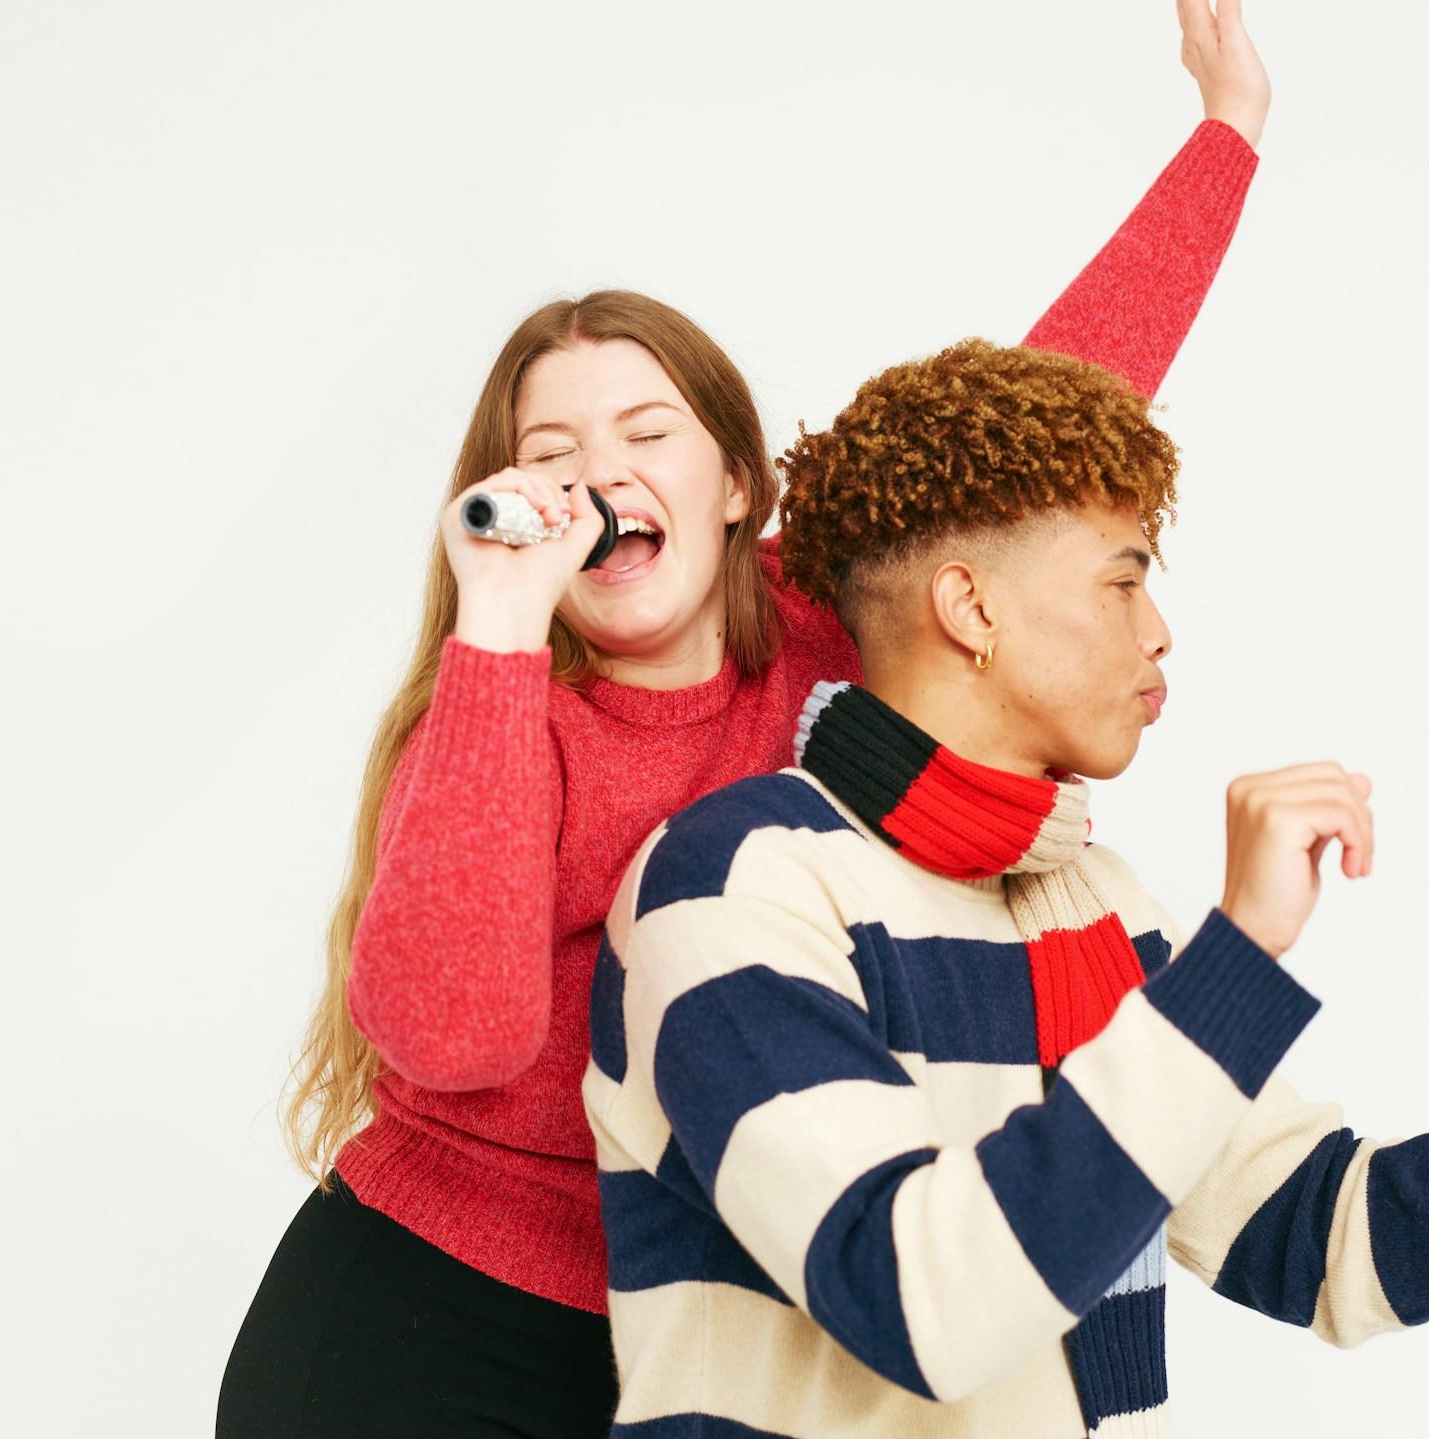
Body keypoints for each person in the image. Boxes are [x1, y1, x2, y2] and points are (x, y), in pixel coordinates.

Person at [218, 5, 1277, 1434]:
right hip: (419, 1322)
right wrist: (498, 624)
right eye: (555, 454)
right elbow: (453, 1036)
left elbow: (1045, 415)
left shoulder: (823, 631)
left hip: (706, 1328)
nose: (603, 471)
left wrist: (1227, 135)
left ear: (733, 482)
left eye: (645, 434)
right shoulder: (494, 706)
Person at [585, 337, 1429, 1436]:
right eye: (1122, 579)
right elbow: (923, 1306)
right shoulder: (733, 884)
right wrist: (1236, 960)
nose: (1158, 630)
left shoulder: (1090, 899)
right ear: (971, 608)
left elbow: (1323, 1240)